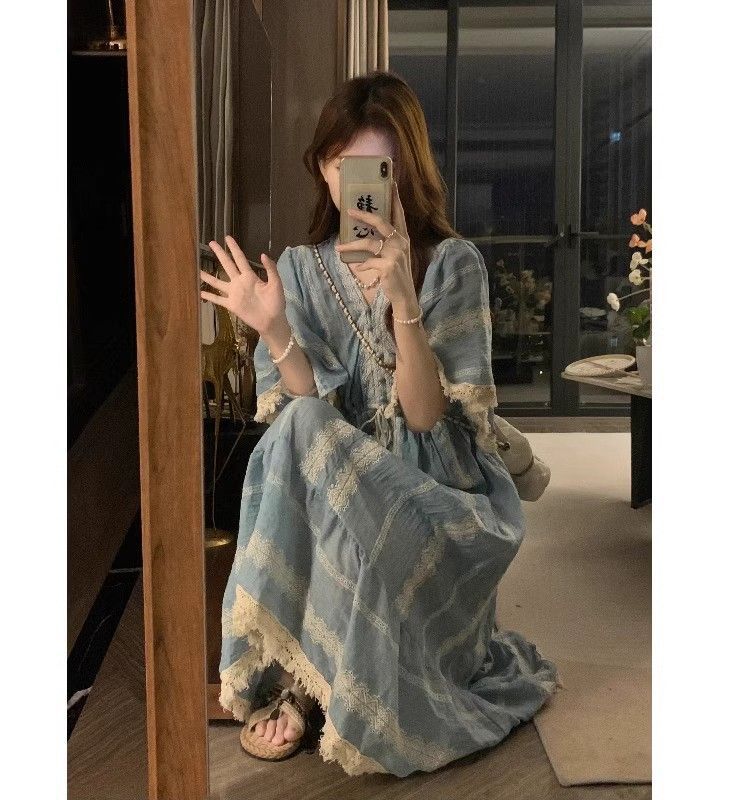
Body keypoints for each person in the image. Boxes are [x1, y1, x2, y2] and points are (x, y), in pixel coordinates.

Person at [199, 70, 558, 777]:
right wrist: (274, 330)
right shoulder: (299, 271)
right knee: (302, 426)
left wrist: (405, 303)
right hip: (339, 482)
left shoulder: (451, 264)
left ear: (404, 172)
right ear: (322, 169)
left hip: (434, 492)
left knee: (313, 438)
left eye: (376, 167)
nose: (355, 184)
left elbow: (425, 418)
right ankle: (313, 678)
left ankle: (304, 686)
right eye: (342, 164)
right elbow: (308, 421)